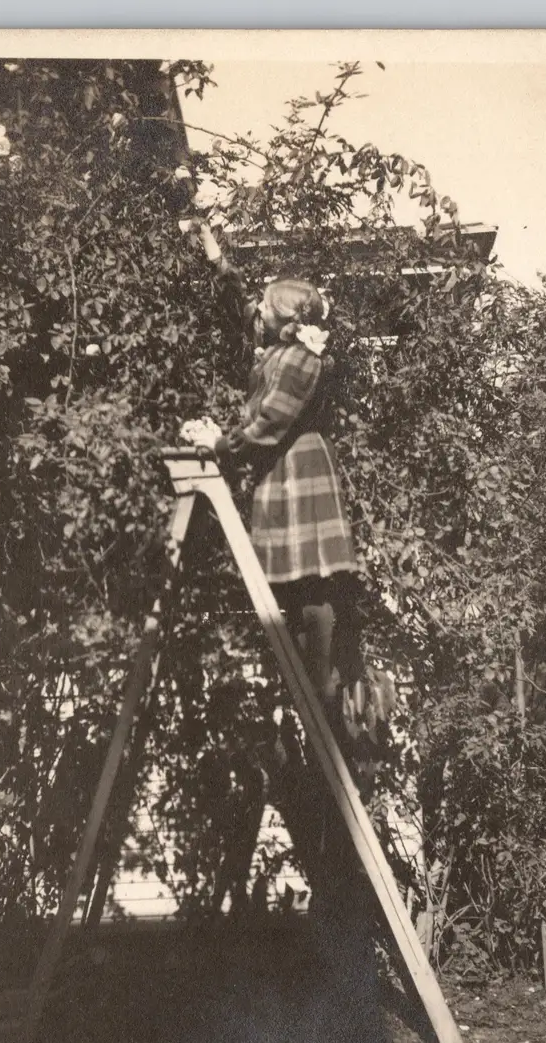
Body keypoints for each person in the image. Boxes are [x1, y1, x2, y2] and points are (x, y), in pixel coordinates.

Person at [187, 220, 359, 736]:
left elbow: (270, 424)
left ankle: (323, 693)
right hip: (281, 473)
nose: (257, 313)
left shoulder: (301, 359)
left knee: (313, 582)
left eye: (265, 307)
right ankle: (310, 692)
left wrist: (221, 443)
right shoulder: (279, 349)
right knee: (291, 586)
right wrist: (214, 256)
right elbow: (241, 305)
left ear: (283, 318)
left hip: (298, 472)